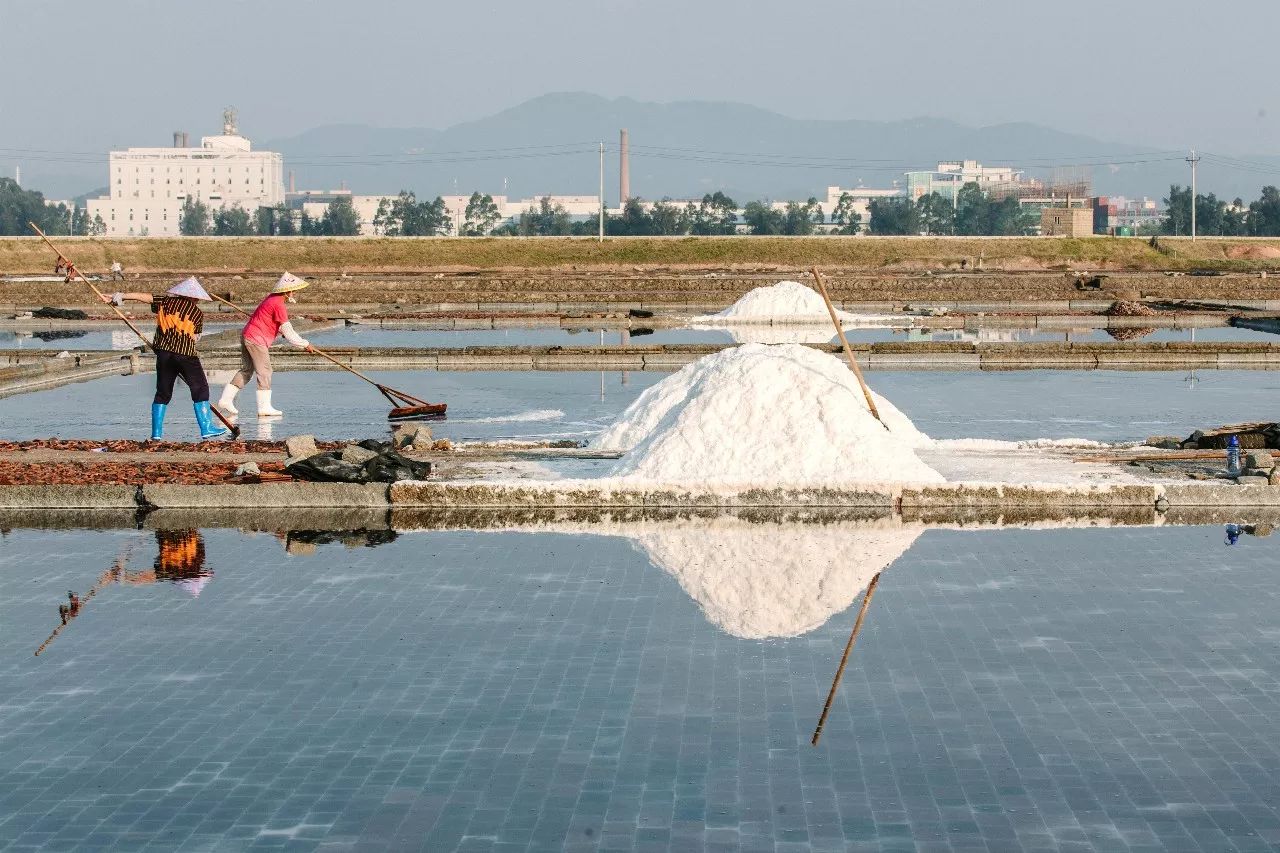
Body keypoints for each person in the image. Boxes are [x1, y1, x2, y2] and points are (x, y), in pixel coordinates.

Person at [106, 277, 229, 441]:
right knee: (200, 388)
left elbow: (144, 297)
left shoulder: (164, 302)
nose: (198, 300)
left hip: (163, 354)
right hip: (185, 354)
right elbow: (193, 337)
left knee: (163, 393)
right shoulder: (196, 313)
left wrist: (119, 296)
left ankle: (156, 434)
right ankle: (206, 427)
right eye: (197, 297)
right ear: (192, 296)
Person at [216, 272, 311, 418]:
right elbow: (288, 329)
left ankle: (225, 400)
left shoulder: (271, 299)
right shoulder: (278, 304)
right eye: (294, 291)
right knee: (265, 371)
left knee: (247, 370)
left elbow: (274, 323)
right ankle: (264, 408)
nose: (294, 294)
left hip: (248, 334)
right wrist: (305, 344)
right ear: (287, 291)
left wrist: (279, 330)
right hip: (256, 339)